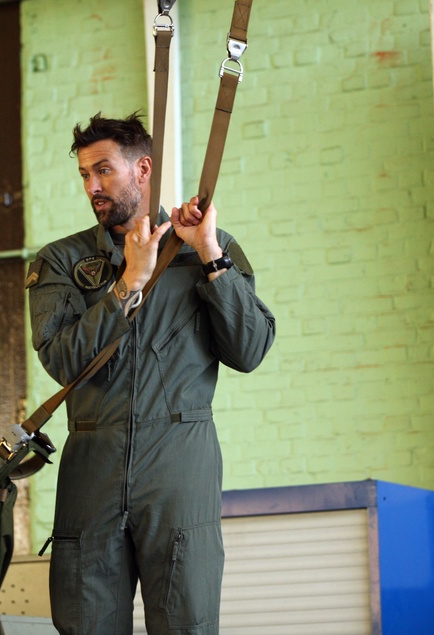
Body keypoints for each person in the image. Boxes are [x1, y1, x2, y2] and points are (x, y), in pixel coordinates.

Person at [25, 112, 276, 635]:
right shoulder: (61, 262)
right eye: (84, 176)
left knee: (187, 621)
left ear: (144, 169)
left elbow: (250, 349)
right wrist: (127, 283)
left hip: (180, 462)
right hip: (93, 460)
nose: (92, 186)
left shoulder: (209, 249)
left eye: (103, 171)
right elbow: (59, 359)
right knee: (86, 622)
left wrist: (207, 252)